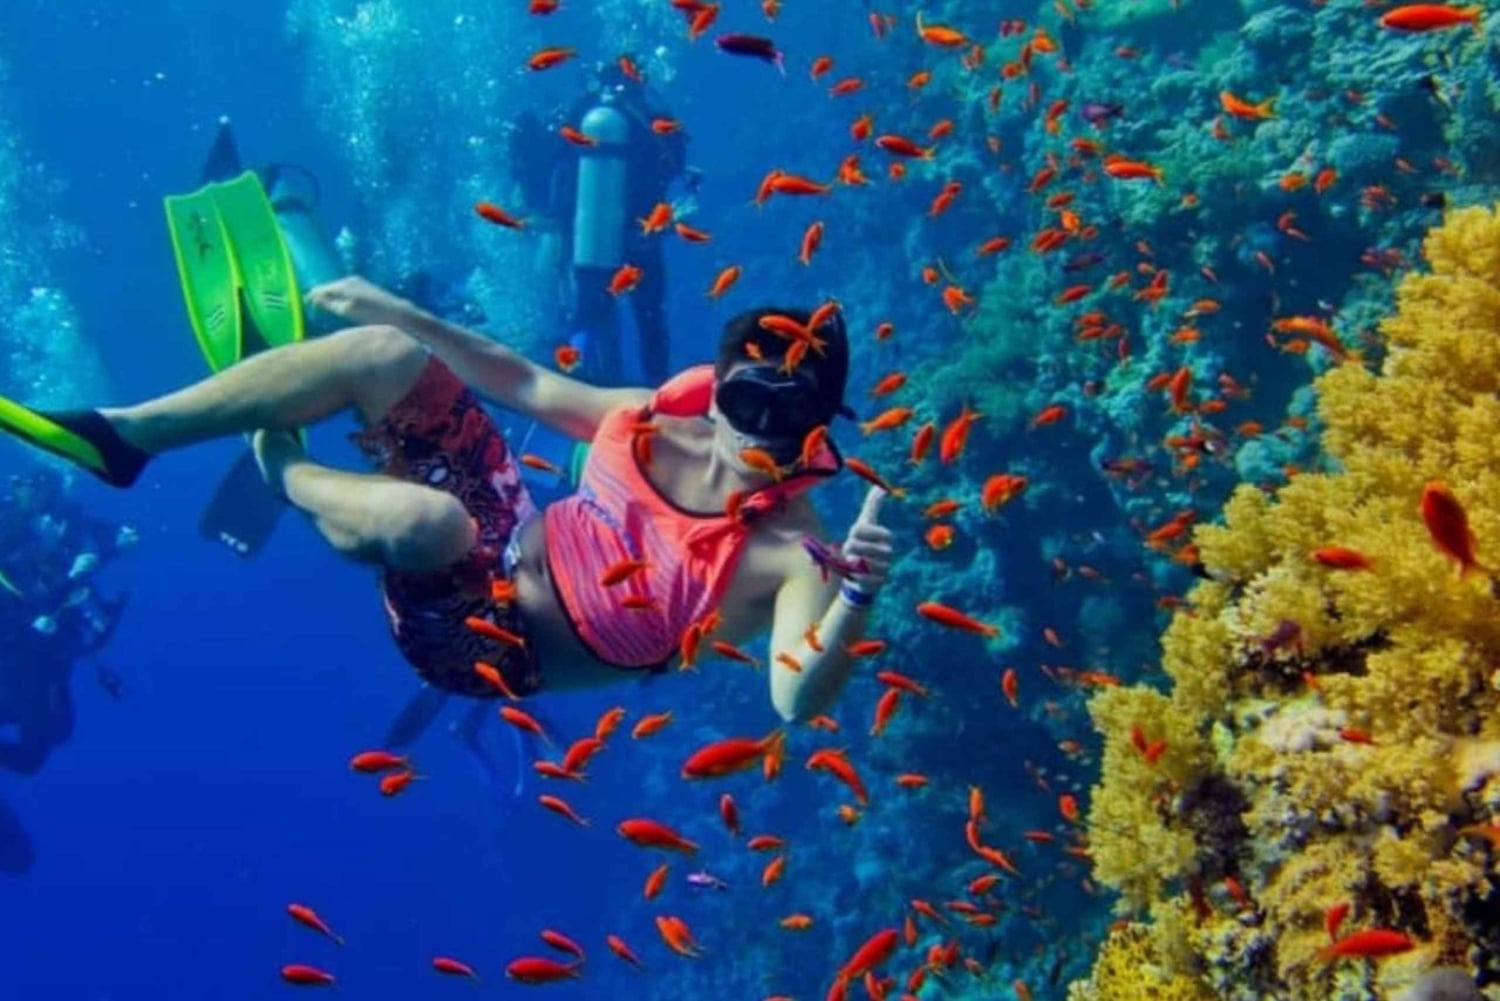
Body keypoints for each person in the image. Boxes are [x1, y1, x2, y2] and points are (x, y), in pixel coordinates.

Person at [0, 275, 894, 724]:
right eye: (748, 404)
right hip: (502, 525)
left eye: (793, 416)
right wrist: (396, 313)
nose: (761, 436)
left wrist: (854, 595)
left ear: (825, 424)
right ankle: (124, 436)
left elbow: (793, 699)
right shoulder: (661, 418)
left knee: (425, 521)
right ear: (721, 388)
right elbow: (530, 385)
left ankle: (281, 467)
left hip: (485, 645)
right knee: (383, 354)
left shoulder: (792, 552)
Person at [506, 61, 699, 387]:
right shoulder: (652, 117)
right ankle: (661, 400)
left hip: (587, 241)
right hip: (642, 241)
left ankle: (595, 398)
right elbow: (673, 166)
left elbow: (555, 172)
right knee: (650, 324)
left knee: (593, 320)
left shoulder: (580, 113)